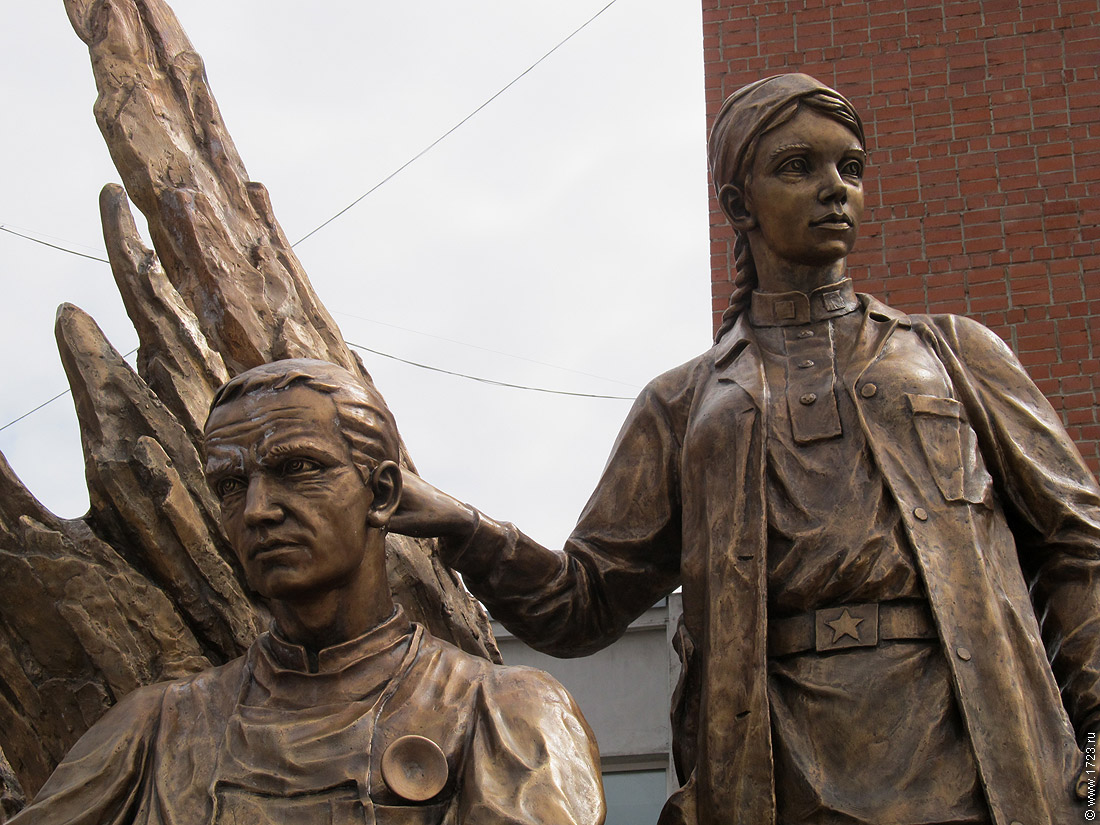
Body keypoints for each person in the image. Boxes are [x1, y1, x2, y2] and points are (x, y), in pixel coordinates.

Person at [390, 74, 1100, 824]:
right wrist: (462, 526)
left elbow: (1077, 545)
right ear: (738, 204)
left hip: (976, 755)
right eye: (798, 167)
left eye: (850, 167)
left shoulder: (954, 354)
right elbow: (584, 602)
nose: (835, 188)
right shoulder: (683, 404)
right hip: (774, 769)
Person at [10, 359, 605, 825]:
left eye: (297, 469)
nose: (257, 509)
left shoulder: (504, 712)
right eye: (231, 485)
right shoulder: (156, 731)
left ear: (382, 494)